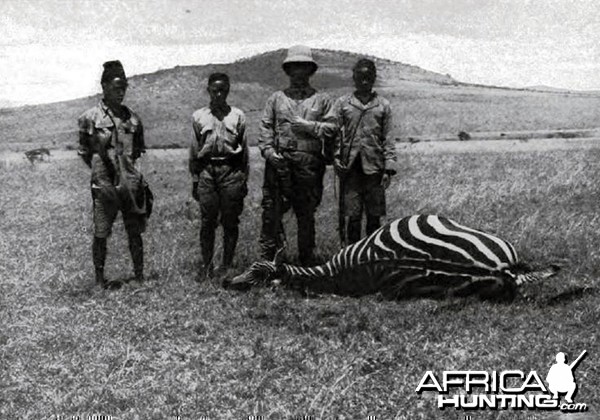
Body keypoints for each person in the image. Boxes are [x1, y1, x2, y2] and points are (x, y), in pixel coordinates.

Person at [258, 45, 335, 265]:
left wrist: (309, 126)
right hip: (279, 162)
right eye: (294, 68)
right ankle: (269, 265)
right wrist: (269, 152)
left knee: (306, 215)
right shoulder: (276, 99)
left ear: (311, 71)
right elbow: (265, 129)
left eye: (303, 68)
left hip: (308, 165)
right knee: (271, 214)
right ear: (288, 70)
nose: (299, 72)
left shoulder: (322, 100)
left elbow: (332, 128)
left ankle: (306, 264)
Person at [78, 60, 150, 288]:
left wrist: (134, 176)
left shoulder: (134, 119)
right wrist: (101, 172)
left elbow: (138, 151)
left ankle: (139, 277)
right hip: (104, 185)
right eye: (116, 88)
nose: (121, 93)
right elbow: (85, 151)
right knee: (101, 232)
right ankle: (99, 279)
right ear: (104, 87)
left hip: (130, 184)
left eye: (124, 88)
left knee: (134, 231)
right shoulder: (89, 117)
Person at [189, 73, 249, 277]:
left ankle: (227, 266)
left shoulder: (238, 116)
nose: (219, 94)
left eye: (223, 90)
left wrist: (243, 180)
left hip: (231, 171)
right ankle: (207, 267)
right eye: (214, 90)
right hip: (207, 172)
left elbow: (245, 152)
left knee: (231, 221)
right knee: (208, 221)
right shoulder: (199, 116)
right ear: (208, 90)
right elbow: (194, 150)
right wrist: (195, 179)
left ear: (228, 90)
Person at [332, 58, 396, 245]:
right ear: (354, 78)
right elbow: (334, 134)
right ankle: (351, 258)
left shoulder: (383, 105)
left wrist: (388, 169)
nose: (364, 81)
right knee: (352, 216)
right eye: (360, 77)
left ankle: (372, 257)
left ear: (374, 77)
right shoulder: (343, 104)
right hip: (350, 169)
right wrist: (336, 159)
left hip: (374, 169)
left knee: (374, 218)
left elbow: (388, 138)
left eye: (368, 77)